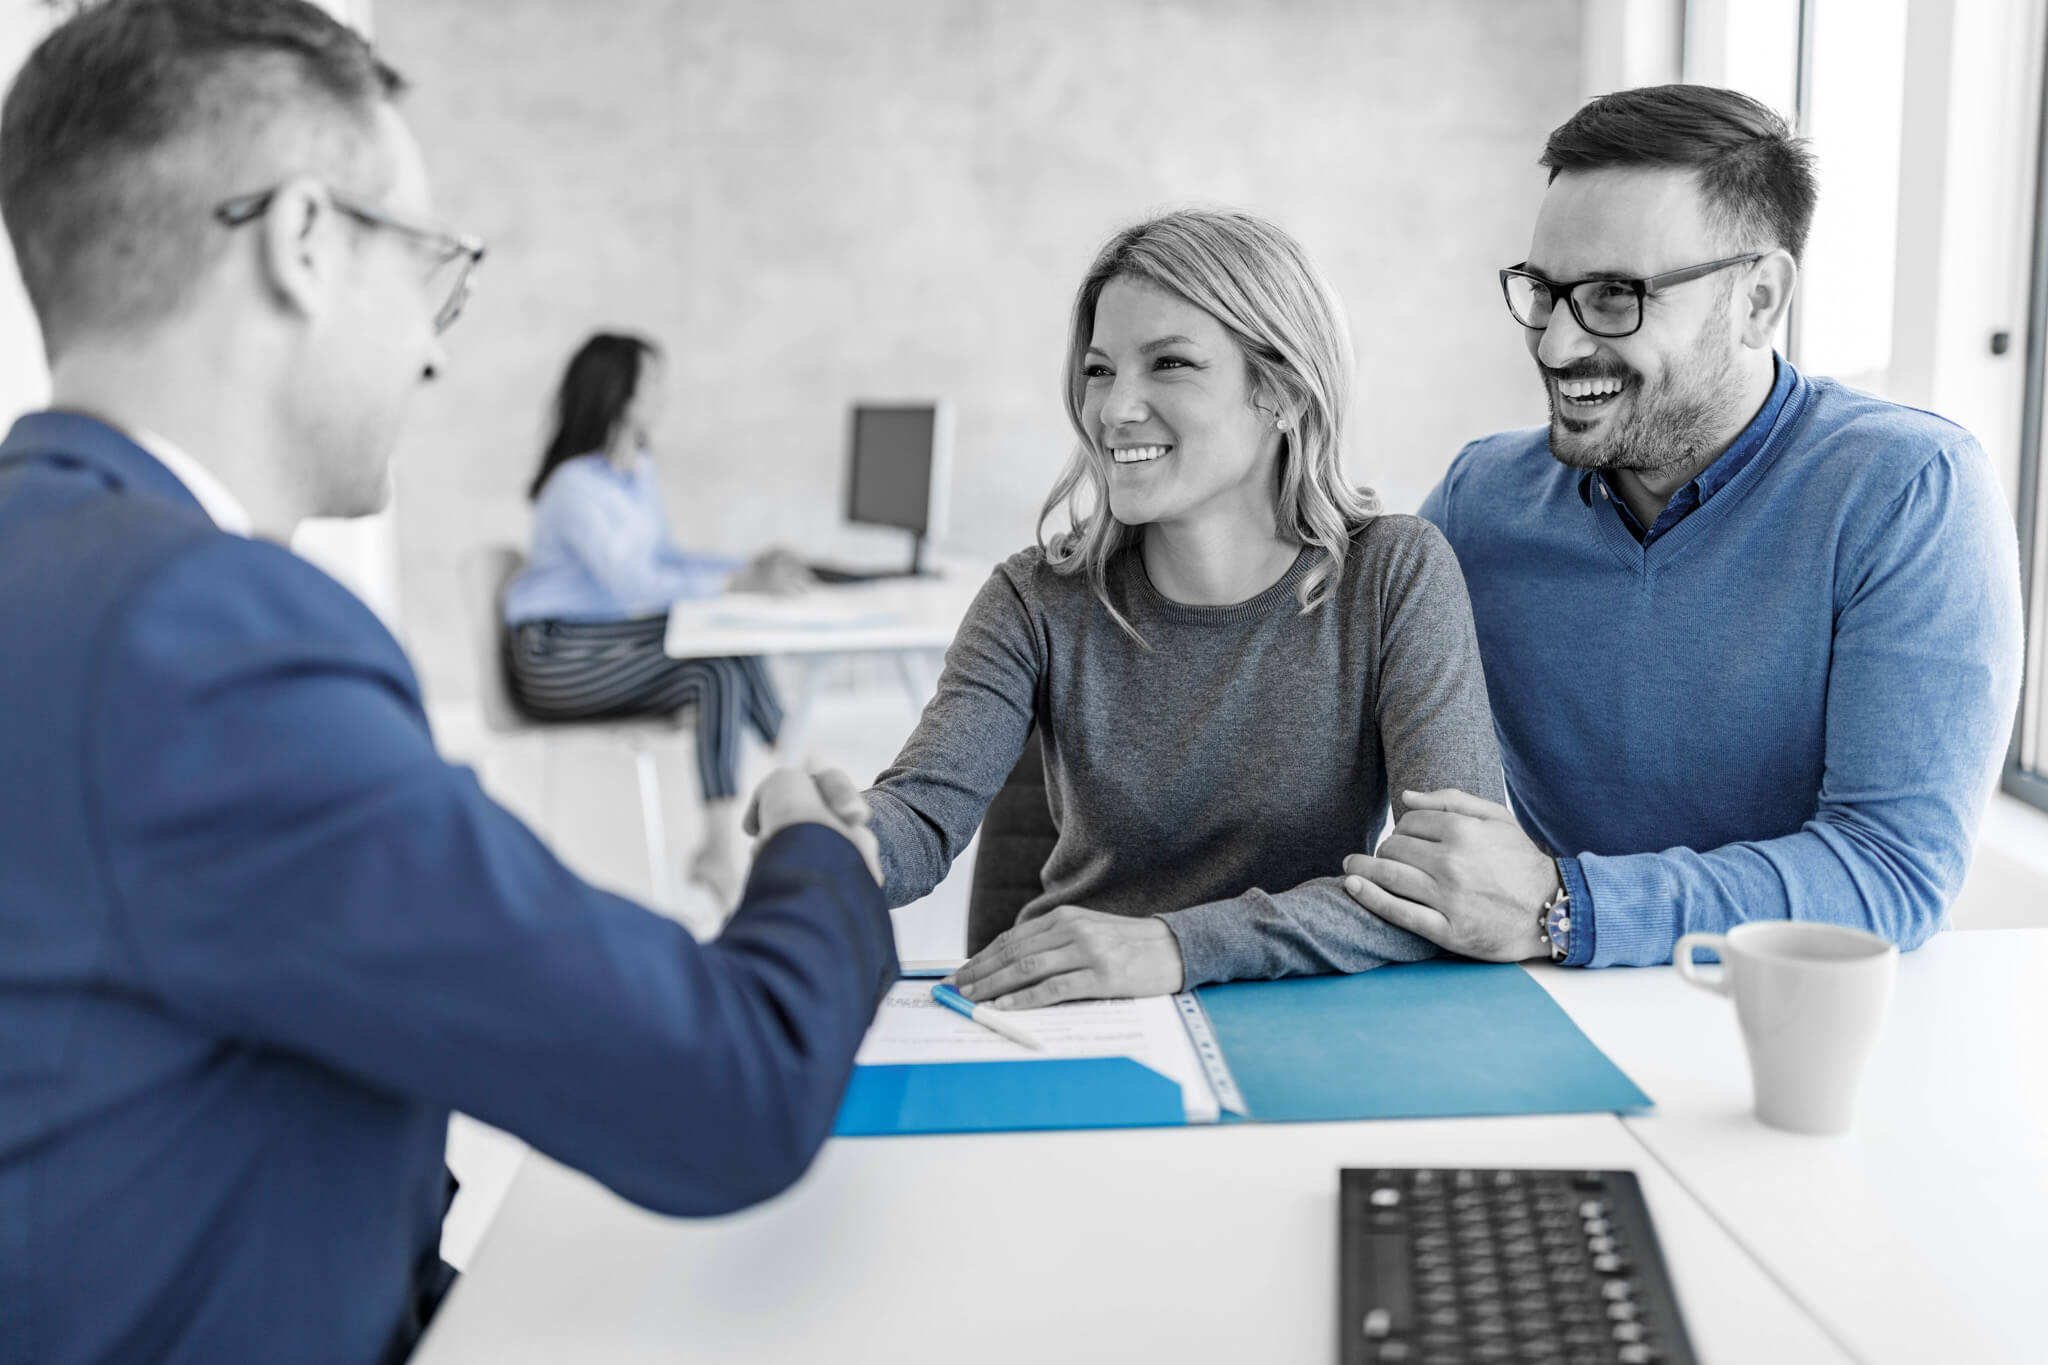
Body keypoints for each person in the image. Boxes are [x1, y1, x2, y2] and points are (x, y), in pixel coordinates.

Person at [0, 4, 894, 1363]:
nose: (435, 347)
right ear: (304, 241)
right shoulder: (205, 632)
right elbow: (731, 1085)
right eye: (436, 270)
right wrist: (816, 850)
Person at [1342, 84, 2024, 969]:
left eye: (1616, 297)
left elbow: (1890, 870)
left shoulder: (1908, 493)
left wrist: (1564, 905)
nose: (1555, 346)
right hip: (1545, 1012)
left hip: (1788, 1030)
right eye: (1545, 293)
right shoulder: (1480, 499)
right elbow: (1312, 693)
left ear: (1759, 299)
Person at [851, 208, 1504, 1009]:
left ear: (1283, 391)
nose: (1116, 408)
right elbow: (917, 818)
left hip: (1305, 1017)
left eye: (1168, 363)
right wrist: (831, 838)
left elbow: (1449, 884)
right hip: (1076, 1021)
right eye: (1099, 370)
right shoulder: (1034, 598)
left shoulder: (1393, 575)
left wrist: (1175, 944)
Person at [503, 330, 808, 904]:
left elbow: (665, 560)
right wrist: (739, 583)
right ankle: (721, 848)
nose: (664, 394)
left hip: (601, 640)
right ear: (619, 394)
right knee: (711, 669)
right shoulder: (573, 487)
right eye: (653, 382)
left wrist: (746, 569)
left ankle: (802, 772)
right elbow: (634, 586)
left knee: (734, 644)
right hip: (554, 656)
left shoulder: (639, 472)